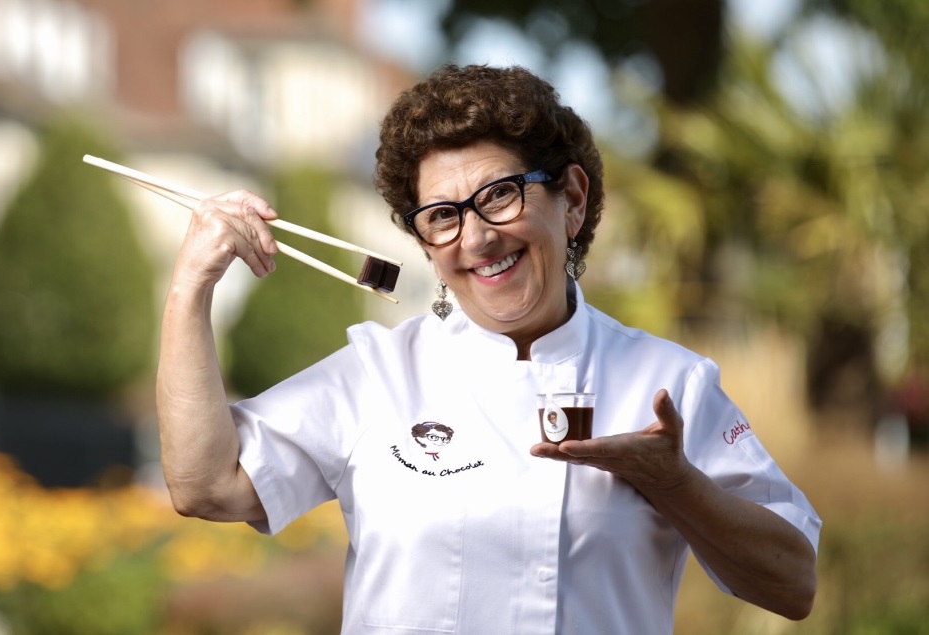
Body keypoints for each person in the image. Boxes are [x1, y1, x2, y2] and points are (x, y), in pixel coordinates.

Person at [156, 64, 820, 634]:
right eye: (442, 215)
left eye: (499, 195)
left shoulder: (670, 381)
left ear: (573, 200)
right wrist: (191, 287)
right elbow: (206, 484)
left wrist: (676, 484)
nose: (475, 239)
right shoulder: (375, 375)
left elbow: (793, 584)